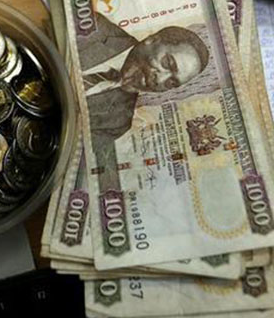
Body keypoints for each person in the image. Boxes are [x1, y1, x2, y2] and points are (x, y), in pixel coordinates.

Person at [78, 12, 210, 187]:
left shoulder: (118, 122)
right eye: (168, 64)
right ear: (152, 40)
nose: (160, 80)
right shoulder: (93, 26)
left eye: (172, 82)